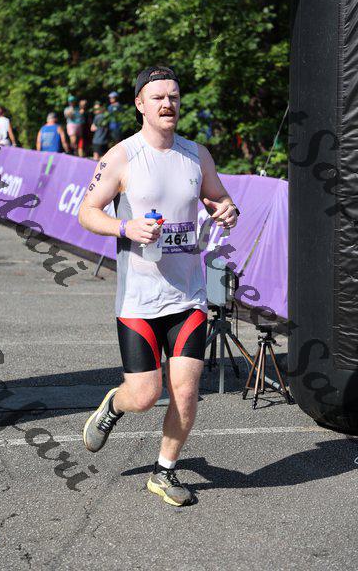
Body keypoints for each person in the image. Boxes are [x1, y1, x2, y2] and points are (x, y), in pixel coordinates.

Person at [78, 65, 239, 507]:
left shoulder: (196, 154)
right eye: (158, 97)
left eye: (173, 96)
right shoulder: (121, 156)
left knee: (185, 390)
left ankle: (164, 470)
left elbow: (220, 198)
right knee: (145, 395)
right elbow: (86, 212)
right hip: (139, 299)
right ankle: (115, 405)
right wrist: (125, 227)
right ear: (140, 104)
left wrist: (227, 209)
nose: (168, 104)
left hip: (188, 296)